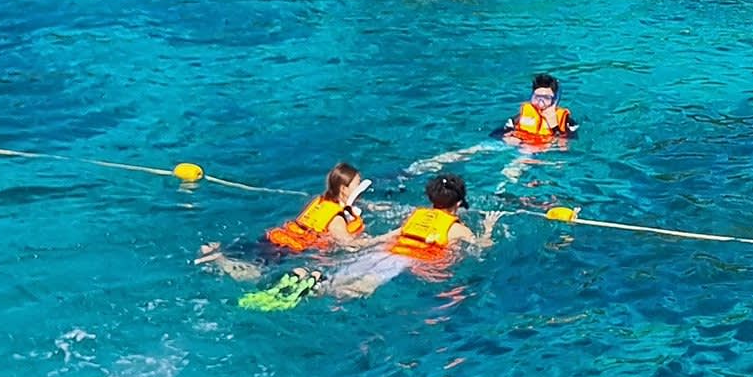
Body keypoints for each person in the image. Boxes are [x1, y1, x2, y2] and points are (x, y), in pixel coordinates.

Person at [325, 173, 494, 299]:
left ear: (431, 198)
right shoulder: (458, 229)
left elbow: (397, 233)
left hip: (385, 251)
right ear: (458, 203)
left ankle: (320, 284)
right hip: (404, 260)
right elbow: (482, 246)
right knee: (360, 288)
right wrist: (488, 227)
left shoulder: (417, 215)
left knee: (338, 277)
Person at [195, 162, 371, 282]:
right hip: (287, 249)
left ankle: (216, 248)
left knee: (249, 249)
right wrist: (380, 239)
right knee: (254, 275)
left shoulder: (323, 202)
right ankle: (221, 261)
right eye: (357, 184)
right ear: (344, 189)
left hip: (275, 237)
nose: (360, 187)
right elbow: (348, 244)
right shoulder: (336, 219)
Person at [501, 74, 578, 147]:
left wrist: (555, 127)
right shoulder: (520, 117)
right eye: (537, 97)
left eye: (546, 98)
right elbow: (498, 134)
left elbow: (565, 146)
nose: (541, 102)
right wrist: (507, 137)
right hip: (523, 145)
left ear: (554, 99)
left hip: (547, 148)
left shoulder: (567, 121)